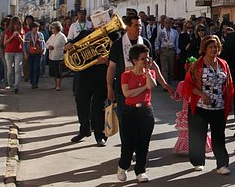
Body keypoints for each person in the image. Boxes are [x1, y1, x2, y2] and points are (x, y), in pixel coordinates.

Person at [108, 14, 173, 126]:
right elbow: (111, 68)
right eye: (136, 25)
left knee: (142, 123)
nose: (139, 28)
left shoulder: (145, 43)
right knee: (125, 123)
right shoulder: (118, 44)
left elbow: (153, 65)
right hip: (123, 89)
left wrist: (164, 84)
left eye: (140, 26)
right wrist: (109, 87)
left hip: (143, 90)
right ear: (127, 27)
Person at [182, 35, 234, 175]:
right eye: (210, 47)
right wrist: (202, 94)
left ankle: (222, 164)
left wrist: (229, 102)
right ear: (204, 49)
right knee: (198, 135)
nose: (213, 49)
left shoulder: (223, 64)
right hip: (200, 107)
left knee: (219, 137)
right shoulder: (197, 66)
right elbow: (188, 85)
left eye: (216, 47)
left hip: (218, 106)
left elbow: (228, 85)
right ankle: (198, 161)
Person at [65, 19, 109, 147]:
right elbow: (71, 44)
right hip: (84, 76)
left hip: (101, 77)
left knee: (98, 107)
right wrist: (67, 46)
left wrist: (107, 60)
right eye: (98, 22)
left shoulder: (112, 36)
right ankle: (84, 130)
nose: (100, 24)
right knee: (81, 103)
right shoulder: (85, 33)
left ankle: (100, 135)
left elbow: (117, 54)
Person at [116, 44, 156, 183]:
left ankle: (140, 171)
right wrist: (144, 87)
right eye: (143, 59)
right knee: (129, 143)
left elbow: (152, 86)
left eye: (147, 58)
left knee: (143, 143)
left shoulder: (149, 73)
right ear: (134, 61)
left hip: (146, 111)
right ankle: (123, 166)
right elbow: (127, 93)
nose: (146, 61)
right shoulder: (126, 75)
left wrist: (148, 71)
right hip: (130, 111)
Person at [4, 17, 26, 93]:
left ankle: (16, 86)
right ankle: (10, 85)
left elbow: (23, 43)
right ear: (12, 24)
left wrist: (19, 36)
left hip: (18, 52)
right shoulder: (8, 31)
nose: (16, 25)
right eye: (15, 24)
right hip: (9, 52)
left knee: (18, 69)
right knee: (10, 70)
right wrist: (12, 37)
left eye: (18, 24)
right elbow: (5, 42)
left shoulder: (22, 31)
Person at [155, 18, 180, 85]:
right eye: (166, 23)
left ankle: (169, 82)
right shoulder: (161, 32)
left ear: (171, 24)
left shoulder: (175, 32)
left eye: (169, 23)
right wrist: (157, 48)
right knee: (164, 68)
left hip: (171, 50)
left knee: (170, 68)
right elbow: (157, 41)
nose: (167, 24)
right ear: (164, 24)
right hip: (163, 50)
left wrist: (177, 52)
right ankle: (165, 84)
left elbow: (177, 42)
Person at [24, 21, 46, 89]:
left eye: (37, 27)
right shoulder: (28, 35)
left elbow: (43, 44)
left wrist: (43, 51)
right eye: (34, 27)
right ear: (31, 28)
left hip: (38, 53)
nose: (36, 29)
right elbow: (24, 45)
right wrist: (25, 54)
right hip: (30, 53)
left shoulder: (40, 35)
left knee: (36, 68)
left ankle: (35, 83)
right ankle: (31, 80)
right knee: (31, 68)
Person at [46, 21, 67, 91]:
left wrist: (65, 56)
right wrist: (49, 47)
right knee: (53, 72)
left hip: (59, 56)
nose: (52, 30)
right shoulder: (52, 36)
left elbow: (66, 46)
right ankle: (55, 85)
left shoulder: (62, 36)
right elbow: (46, 44)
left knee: (58, 72)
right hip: (52, 56)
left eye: (53, 28)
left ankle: (58, 85)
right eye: (51, 28)